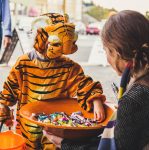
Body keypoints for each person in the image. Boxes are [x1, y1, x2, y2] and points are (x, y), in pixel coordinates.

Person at [44, 10, 149, 150]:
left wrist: (65, 144)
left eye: (106, 51)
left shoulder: (134, 98)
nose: (107, 58)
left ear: (116, 52)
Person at [0, 13, 106, 149]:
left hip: (55, 129)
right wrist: (4, 107)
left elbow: (83, 84)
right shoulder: (23, 63)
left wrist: (95, 100)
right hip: (27, 127)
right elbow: (10, 88)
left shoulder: (68, 66)